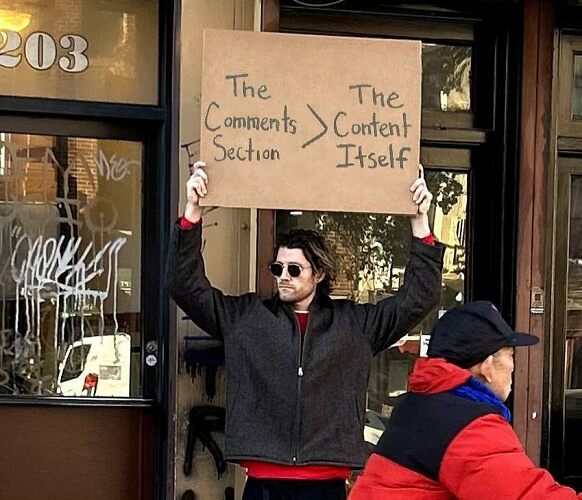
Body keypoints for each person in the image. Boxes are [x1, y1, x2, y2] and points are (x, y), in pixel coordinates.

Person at [168, 161, 445, 500]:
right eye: (277, 267)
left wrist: (420, 222)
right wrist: (192, 212)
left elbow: (418, 299)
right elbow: (185, 287)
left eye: (294, 269)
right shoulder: (246, 318)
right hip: (264, 483)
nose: (283, 275)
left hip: (325, 485)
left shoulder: (354, 324)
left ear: (318, 275)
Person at [349, 301, 582, 500]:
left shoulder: (419, 404)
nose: (513, 367)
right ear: (487, 365)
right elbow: (526, 495)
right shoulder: (468, 424)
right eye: (511, 355)